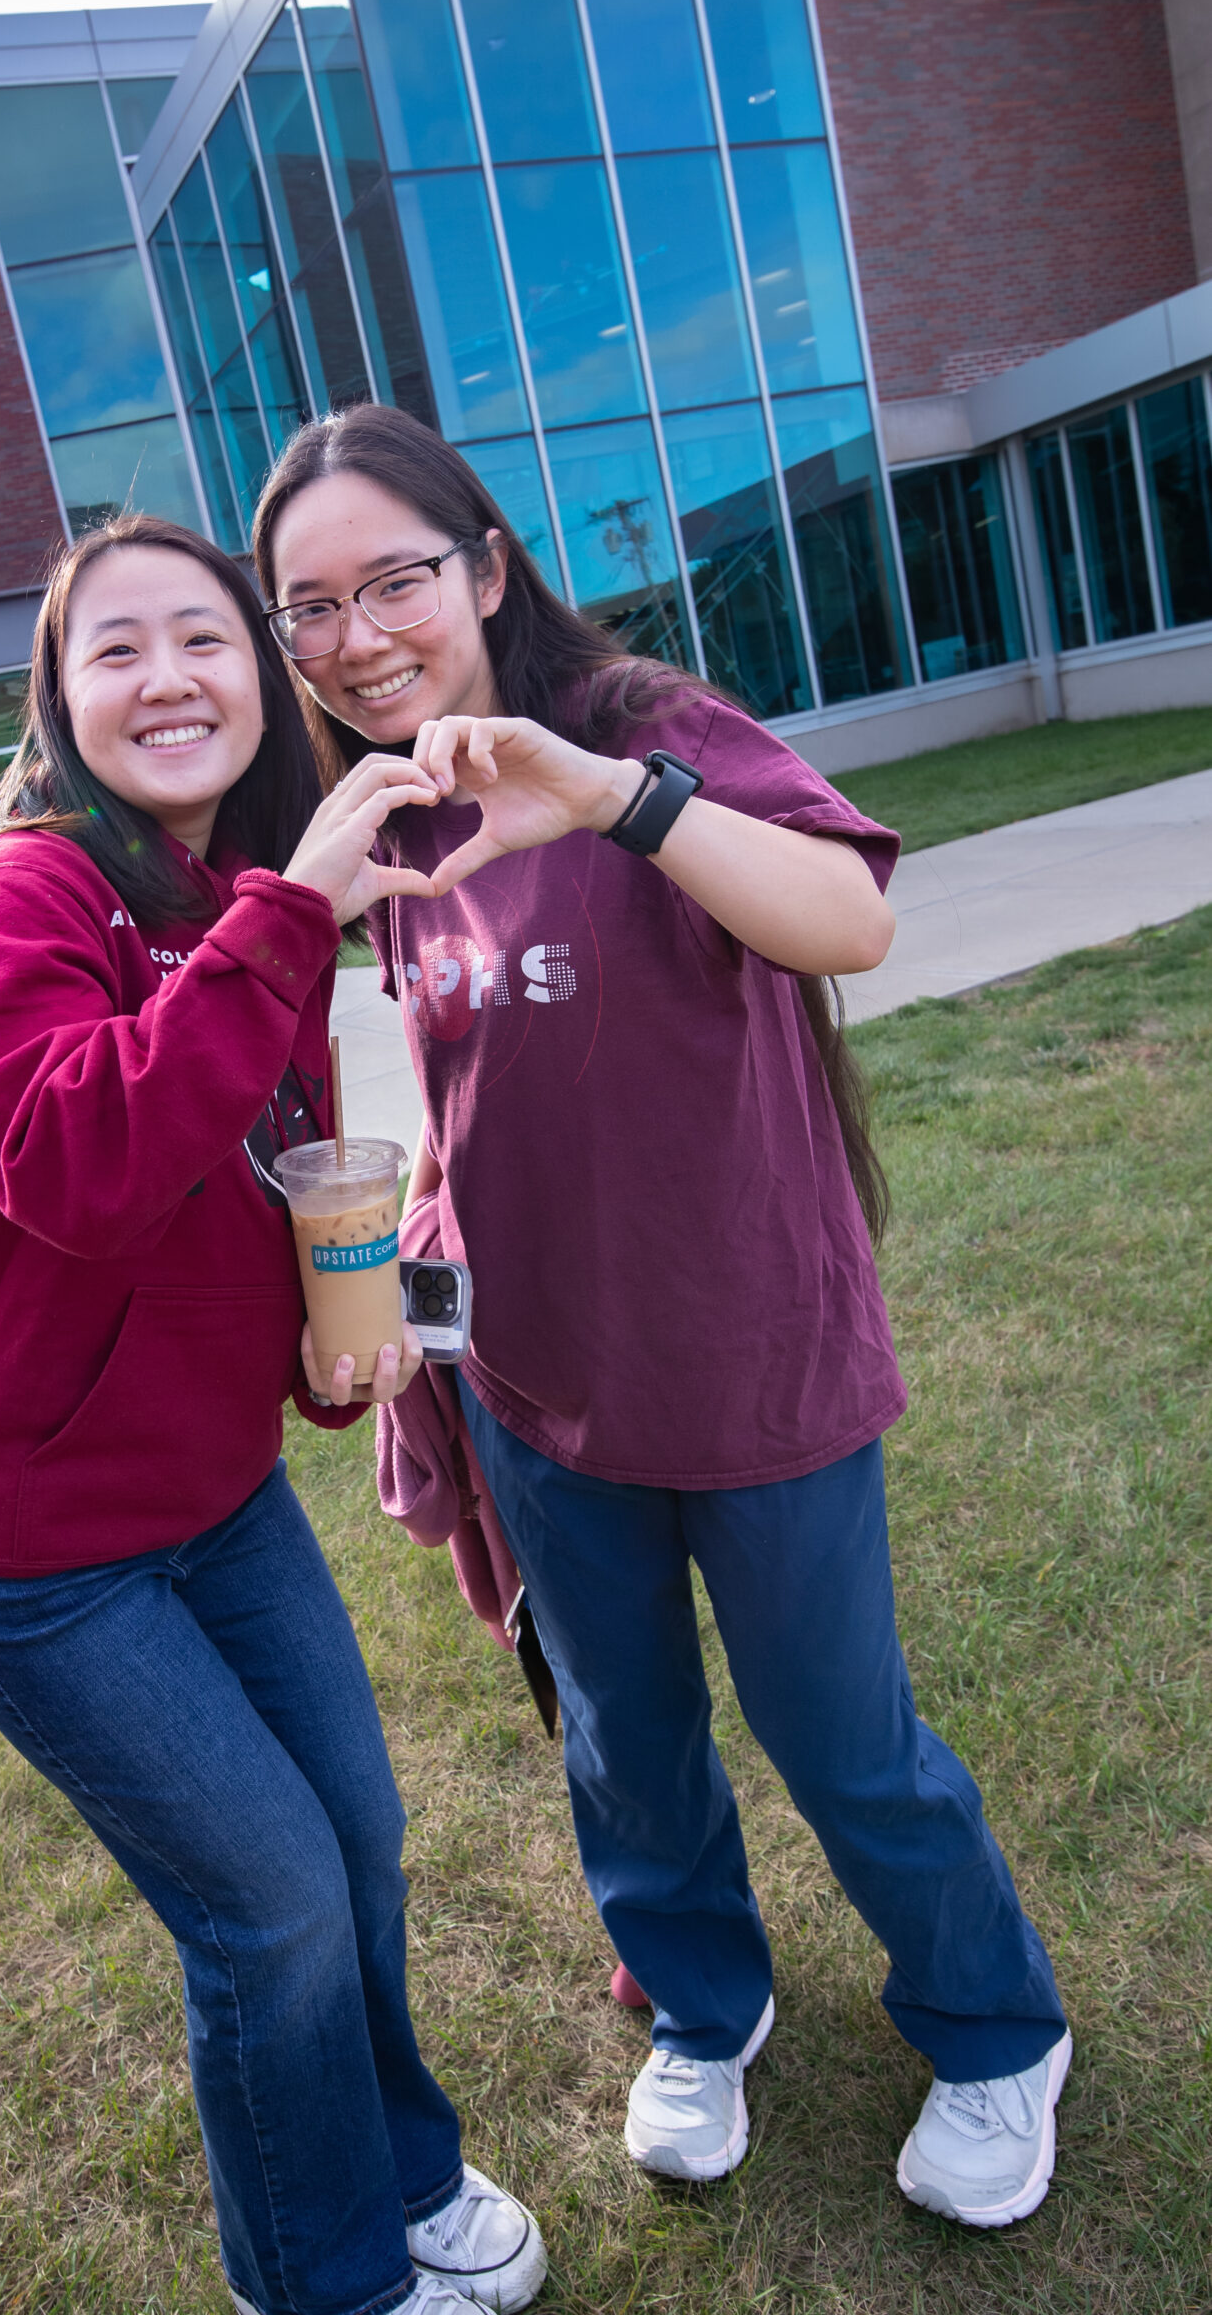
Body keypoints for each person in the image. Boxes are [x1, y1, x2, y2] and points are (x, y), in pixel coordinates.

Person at [251, 405, 1071, 2235]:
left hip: (748, 1355)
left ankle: (997, 2028)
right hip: (540, 1388)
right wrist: (426, 1350)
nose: (357, 634)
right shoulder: (389, 809)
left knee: (837, 1735)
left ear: (486, 567)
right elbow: (469, 1103)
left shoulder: (631, 732)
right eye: (309, 607)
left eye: (392, 580)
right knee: (618, 1737)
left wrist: (619, 798)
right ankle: (706, 2002)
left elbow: (844, 917)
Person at [0, 514, 547, 2315]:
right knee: (268, 1910)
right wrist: (295, 918)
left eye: (206, 638)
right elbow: (82, 1164)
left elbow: (262, 1176)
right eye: (118, 648)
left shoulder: (227, 900)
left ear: (259, 680)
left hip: (215, 1500)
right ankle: (317, 2281)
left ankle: (401, 2172)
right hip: (38, 1553)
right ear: (58, 694)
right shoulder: (16, 899)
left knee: (356, 1850)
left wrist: (340, 1347)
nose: (169, 677)